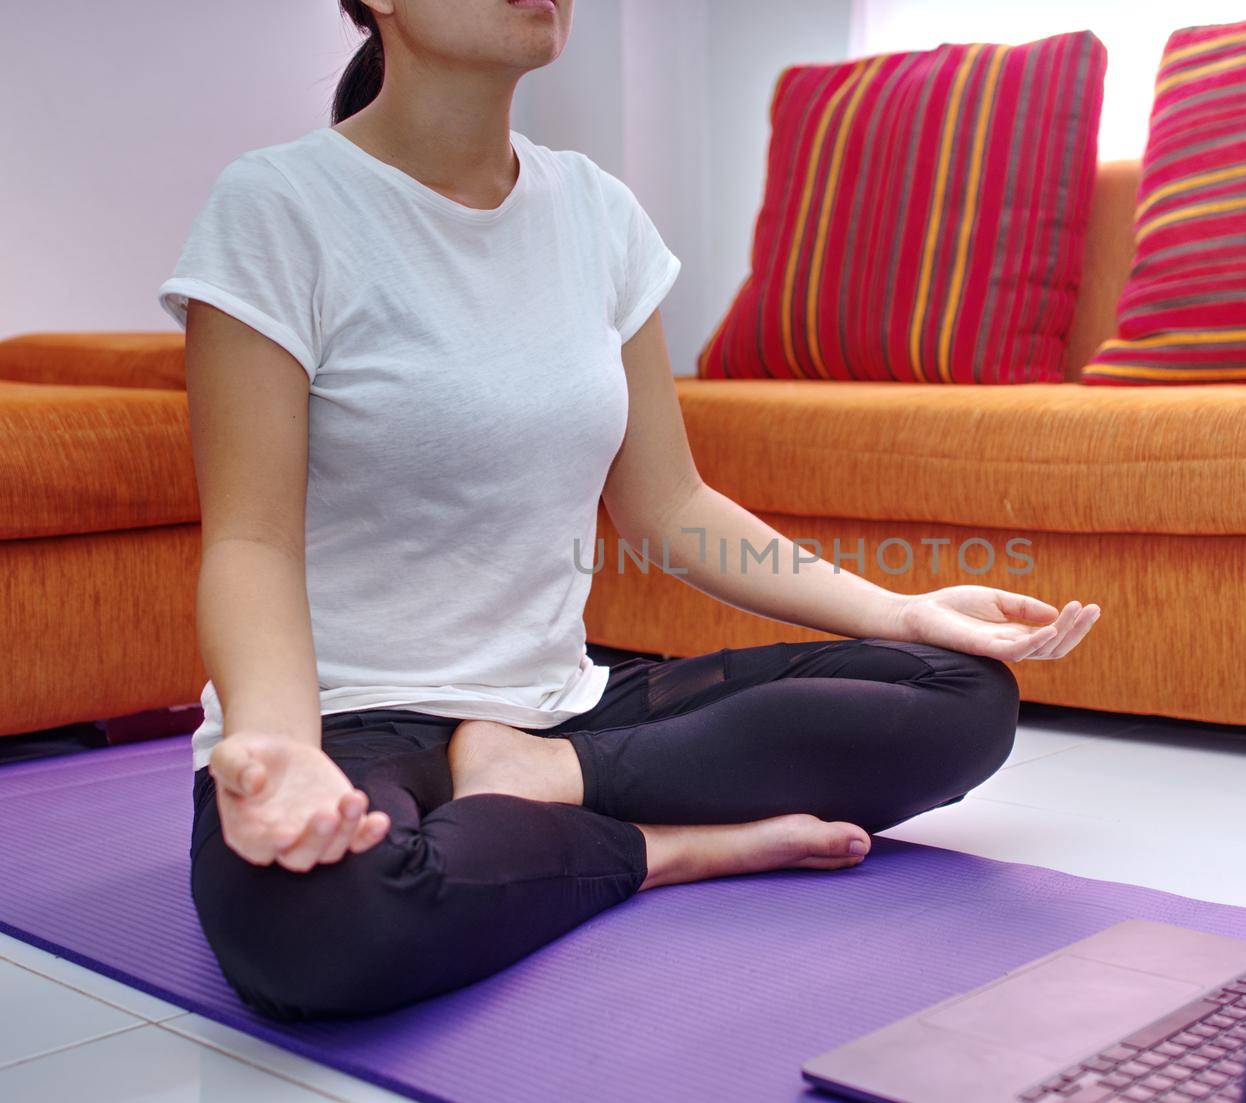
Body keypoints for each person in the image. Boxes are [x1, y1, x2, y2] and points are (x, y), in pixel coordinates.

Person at [159, 0, 1101, 1022]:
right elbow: (251, 539)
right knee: (327, 924)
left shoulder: (597, 213)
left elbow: (671, 503)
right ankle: (663, 848)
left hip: (561, 712)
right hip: (350, 717)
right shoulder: (279, 205)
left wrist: (903, 610)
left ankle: (552, 776)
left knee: (960, 695)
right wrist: (283, 748)